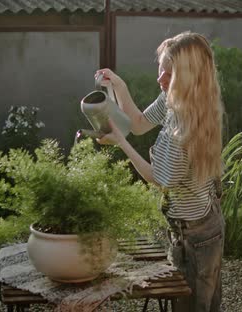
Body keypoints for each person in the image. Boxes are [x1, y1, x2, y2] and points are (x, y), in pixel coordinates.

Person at [94, 31, 225, 312]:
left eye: (168, 74)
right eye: (160, 70)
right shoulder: (176, 100)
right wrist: (118, 85)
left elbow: (158, 178)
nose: (160, 79)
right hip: (193, 222)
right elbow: (139, 123)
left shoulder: (185, 128)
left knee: (196, 307)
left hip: (199, 234)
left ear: (186, 78)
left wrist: (121, 142)